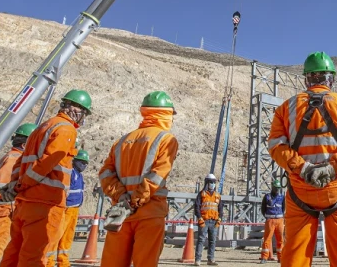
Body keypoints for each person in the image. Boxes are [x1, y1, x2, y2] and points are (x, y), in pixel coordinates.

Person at [268, 51, 337, 267]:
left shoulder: (285, 108)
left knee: (295, 255)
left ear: (307, 78)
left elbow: (276, 146)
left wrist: (303, 168)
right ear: (330, 78)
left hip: (300, 191)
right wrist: (332, 169)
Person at [0, 89, 92, 267]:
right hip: (45, 201)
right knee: (35, 255)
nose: (83, 117)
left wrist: (15, 186)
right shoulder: (66, 130)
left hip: (25, 202)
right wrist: (22, 185)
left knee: (14, 252)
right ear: (76, 109)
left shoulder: (42, 127)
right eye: (84, 112)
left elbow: (21, 161)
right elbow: (45, 164)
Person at [99, 91, 179, 267]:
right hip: (149, 213)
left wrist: (121, 197)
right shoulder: (166, 139)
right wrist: (135, 200)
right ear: (166, 114)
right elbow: (157, 176)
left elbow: (105, 174)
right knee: (146, 263)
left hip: (121, 213)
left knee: (113, 262)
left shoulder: (122, 141)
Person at [0, 123, 36, 267]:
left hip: (1, 209)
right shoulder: (14, 160)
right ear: (24, 144)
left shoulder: (9, 157)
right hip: (4, 211)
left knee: (1, 248)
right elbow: (3, 187)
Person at [46, 149, 88, 267]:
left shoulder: (79, 175)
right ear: (75, 160)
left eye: (85, 163)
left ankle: (63, 262)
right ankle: (49, 262)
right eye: (81, 162)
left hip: (74, 210)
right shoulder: (71, 173)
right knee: (56, 236)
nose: (84, 165)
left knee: (67, 238)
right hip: (65, 209)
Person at [194, 173, 223, 266]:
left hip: (214, 221)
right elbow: (197, 207)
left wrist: (220, 219)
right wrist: (199, 218)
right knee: (201, 240)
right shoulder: (202, 194)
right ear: (206, 182)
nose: (212, 184)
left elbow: (220, 208)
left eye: (214, 182)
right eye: (211, 182)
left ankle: (211, 259)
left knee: (212, 241)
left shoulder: (217, 195)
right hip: (204, 220)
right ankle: (197, 260)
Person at [259, 179, 285, 264]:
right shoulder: (267, 197)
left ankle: (281, 257)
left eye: (278, 188)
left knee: (280, 240)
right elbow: (263, 209)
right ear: (272, 187)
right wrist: (267, 217)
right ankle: (264, 257)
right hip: (270, 221)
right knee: (267, 239)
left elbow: (284, 208)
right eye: (276, 187)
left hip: (280, 221)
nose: (277, 189)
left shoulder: (282, 197)